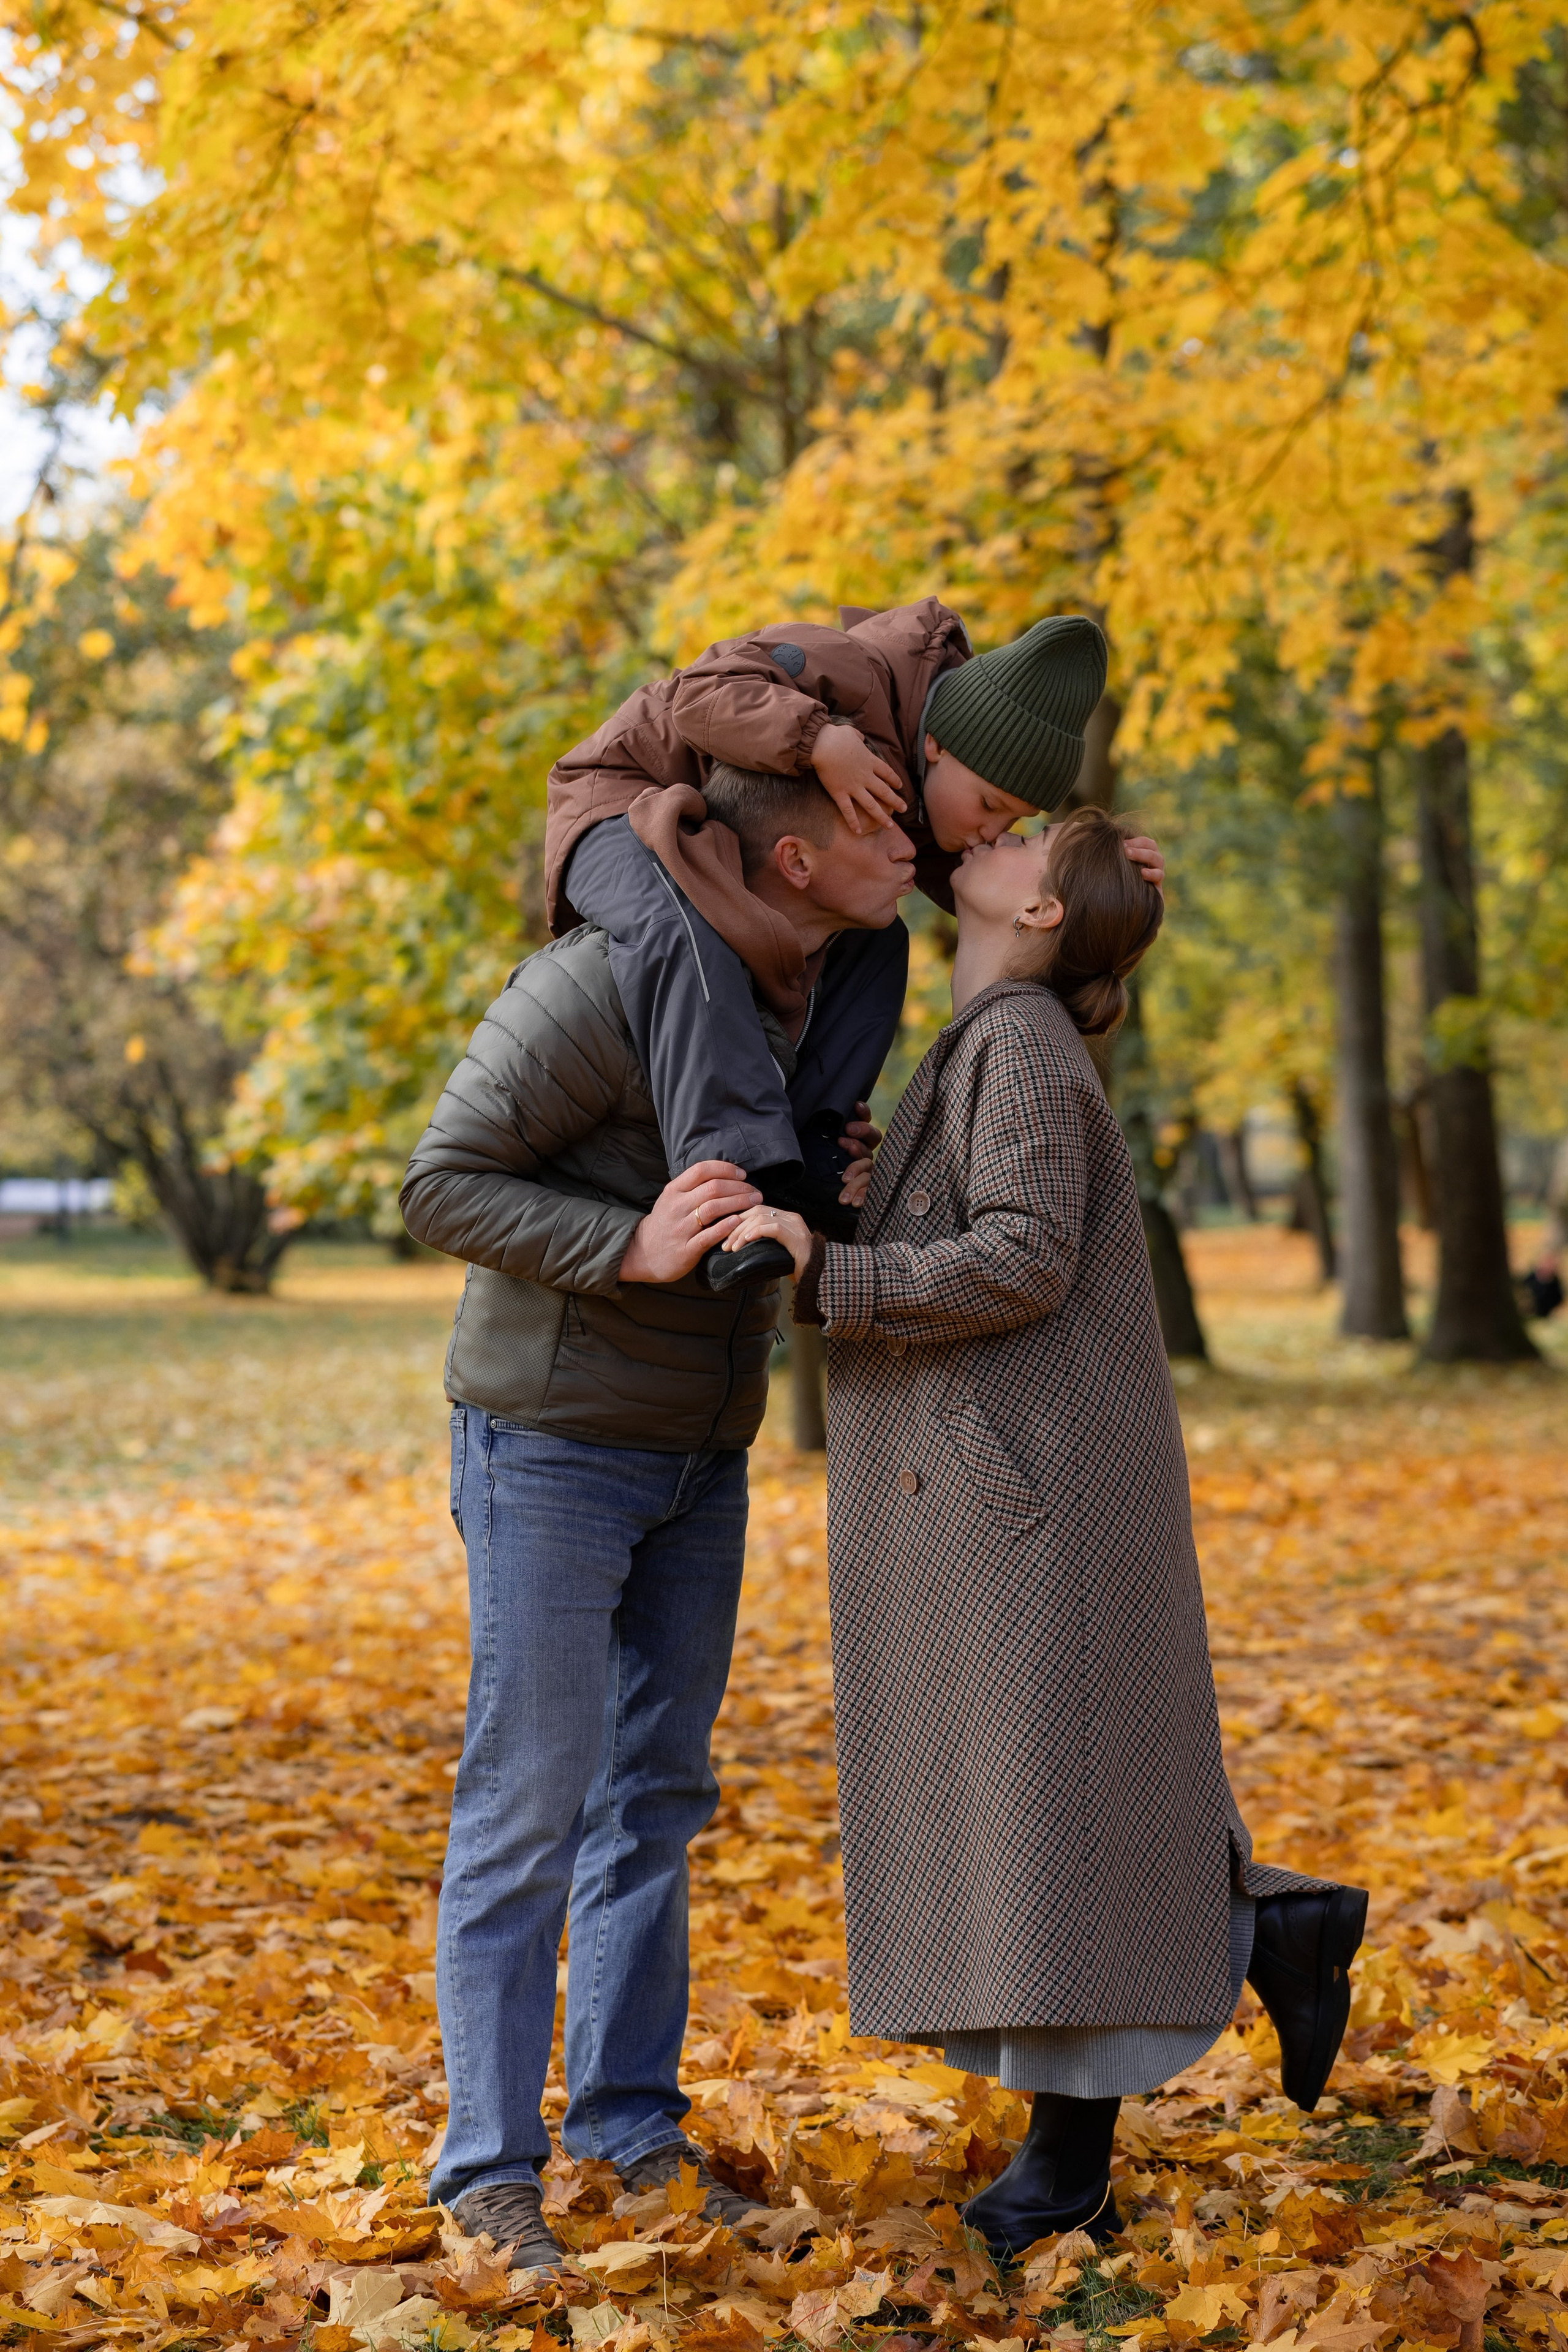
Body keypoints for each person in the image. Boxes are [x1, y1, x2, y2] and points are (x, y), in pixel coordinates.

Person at [723, 809, 1369, 2257]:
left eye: (1026, 842)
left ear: (1038, 916)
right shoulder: (989, 1035)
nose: (993, 834)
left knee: (1055, 1812)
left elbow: (1021, 1254)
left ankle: (1074, 2153)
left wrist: (829, 1278)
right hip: (1005, 1477)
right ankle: (1269, 1931)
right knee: (1048, 1799)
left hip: (1028, 1486)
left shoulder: (1015, 1041)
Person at [397, 774, 916, 2274]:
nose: (912, 850)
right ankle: (486, 2170)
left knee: (656, 1799)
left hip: (701, 1452)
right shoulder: (602, 979)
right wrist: (623, 1245)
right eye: (881, 827)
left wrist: (836, 1194)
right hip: (551, 1443)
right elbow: (440, 1180)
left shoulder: (817, 997)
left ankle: (628, 2136)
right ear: (794, 857)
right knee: (529, 1800)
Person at [546, 603, 1164, 1289]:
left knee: (879, 940)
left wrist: (1106, 884)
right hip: (620, 805)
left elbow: (1005, 898)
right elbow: (699, 694)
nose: (994, 833)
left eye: (1017, 821)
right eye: (992, 806)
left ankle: (812, 1143)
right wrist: (816, 740)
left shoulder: (936, 798)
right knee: (680, 931)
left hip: (715, 838)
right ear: (940, 745)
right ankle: (723, 1181)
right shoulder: (851, 673)